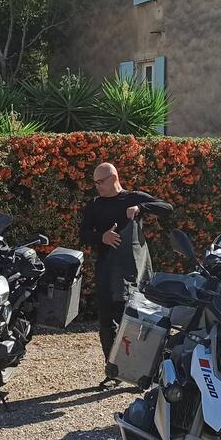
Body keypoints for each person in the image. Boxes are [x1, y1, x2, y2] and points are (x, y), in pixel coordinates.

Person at [79, 163, 173, 388]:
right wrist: (102, 237)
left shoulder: (132, 198)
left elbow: (167, 207)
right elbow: (83, 234)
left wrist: (141, 208)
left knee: (140, 322)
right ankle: (113, 372)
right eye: (95, 182)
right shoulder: (95, 204)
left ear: (113, 177)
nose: (97, 186)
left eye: (100, 181)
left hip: (134, 271)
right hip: (106, 270)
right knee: (107, 323)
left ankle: (145, 373)